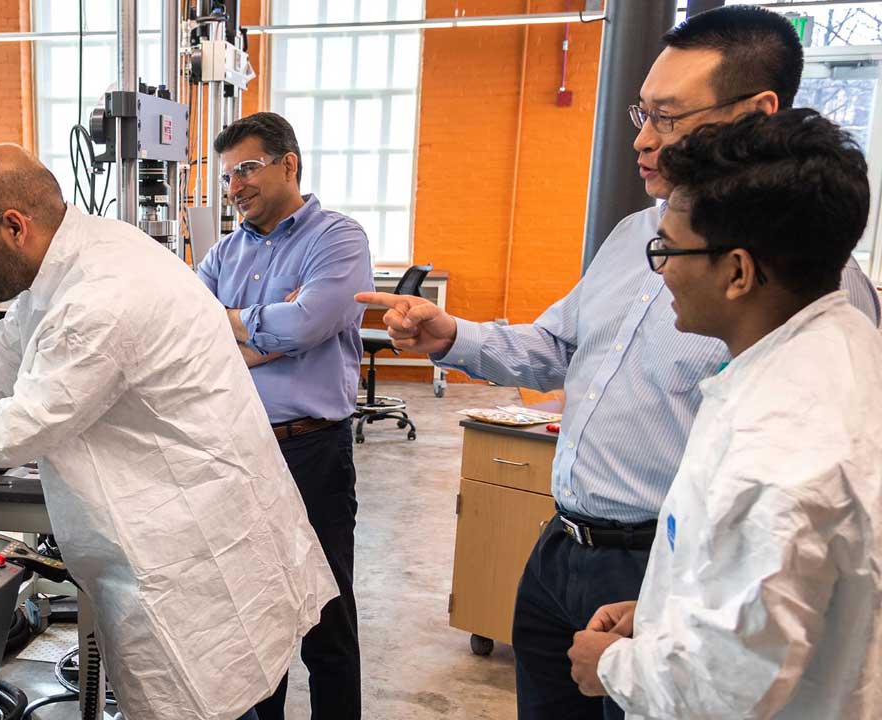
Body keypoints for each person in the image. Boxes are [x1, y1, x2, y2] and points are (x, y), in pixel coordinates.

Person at [355, 7, 881, 719]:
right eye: (642, 111)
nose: (642, 137)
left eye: (667, 116)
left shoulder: (803, 306)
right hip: (570, 545)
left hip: (660, 561)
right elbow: (561, 350)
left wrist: (641, 651)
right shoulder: (635, 235)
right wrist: (454, 337)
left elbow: (740, 666)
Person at [0, 144, 339, 720]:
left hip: (185, 555)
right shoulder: (80, 258)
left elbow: (10, 434)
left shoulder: (98, 300)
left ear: (14, 226)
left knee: (206, 702)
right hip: (201, 520)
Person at [567, 108, 882, 720]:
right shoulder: (841, 348)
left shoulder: (776, 450)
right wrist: (664, 610)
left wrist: (612, 667)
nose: (663, 273)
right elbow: (768, 603)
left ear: (737, 271)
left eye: (669, 250)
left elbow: (727, 689)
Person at [196, 112, 374, 720]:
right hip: (239, 451)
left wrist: (243, 325)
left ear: (288, 164)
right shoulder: (224, 252)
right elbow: (193, 333)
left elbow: (311, 322)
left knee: (325, 618)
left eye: (246, 169)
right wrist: (277, 323)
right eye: (227, 176)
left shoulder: (337, 239)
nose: (235, 186)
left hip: (311, 452)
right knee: (254, 626)